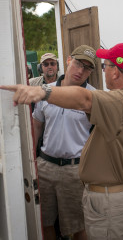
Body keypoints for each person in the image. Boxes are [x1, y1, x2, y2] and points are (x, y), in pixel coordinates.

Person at [0, 43, 123, 240]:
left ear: (115, 72)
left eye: (104, 66)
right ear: (69, 60)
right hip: (117, 192)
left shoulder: (119, 101)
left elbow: (85, 99)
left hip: (109, 199)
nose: (103, 70)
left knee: (80, 229)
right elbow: (38, 124)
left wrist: (42, 92)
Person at [33, 45, 96, 240]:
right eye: (78, 63)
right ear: (68, 60)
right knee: (45, 222)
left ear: (91, 72)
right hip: (45, 167)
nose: (80, 71)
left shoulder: (94, 97)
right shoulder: (46, 91)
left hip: (74, 170)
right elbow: (37, 126)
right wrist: (33, 161)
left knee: (78, 225)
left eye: (87, 68)